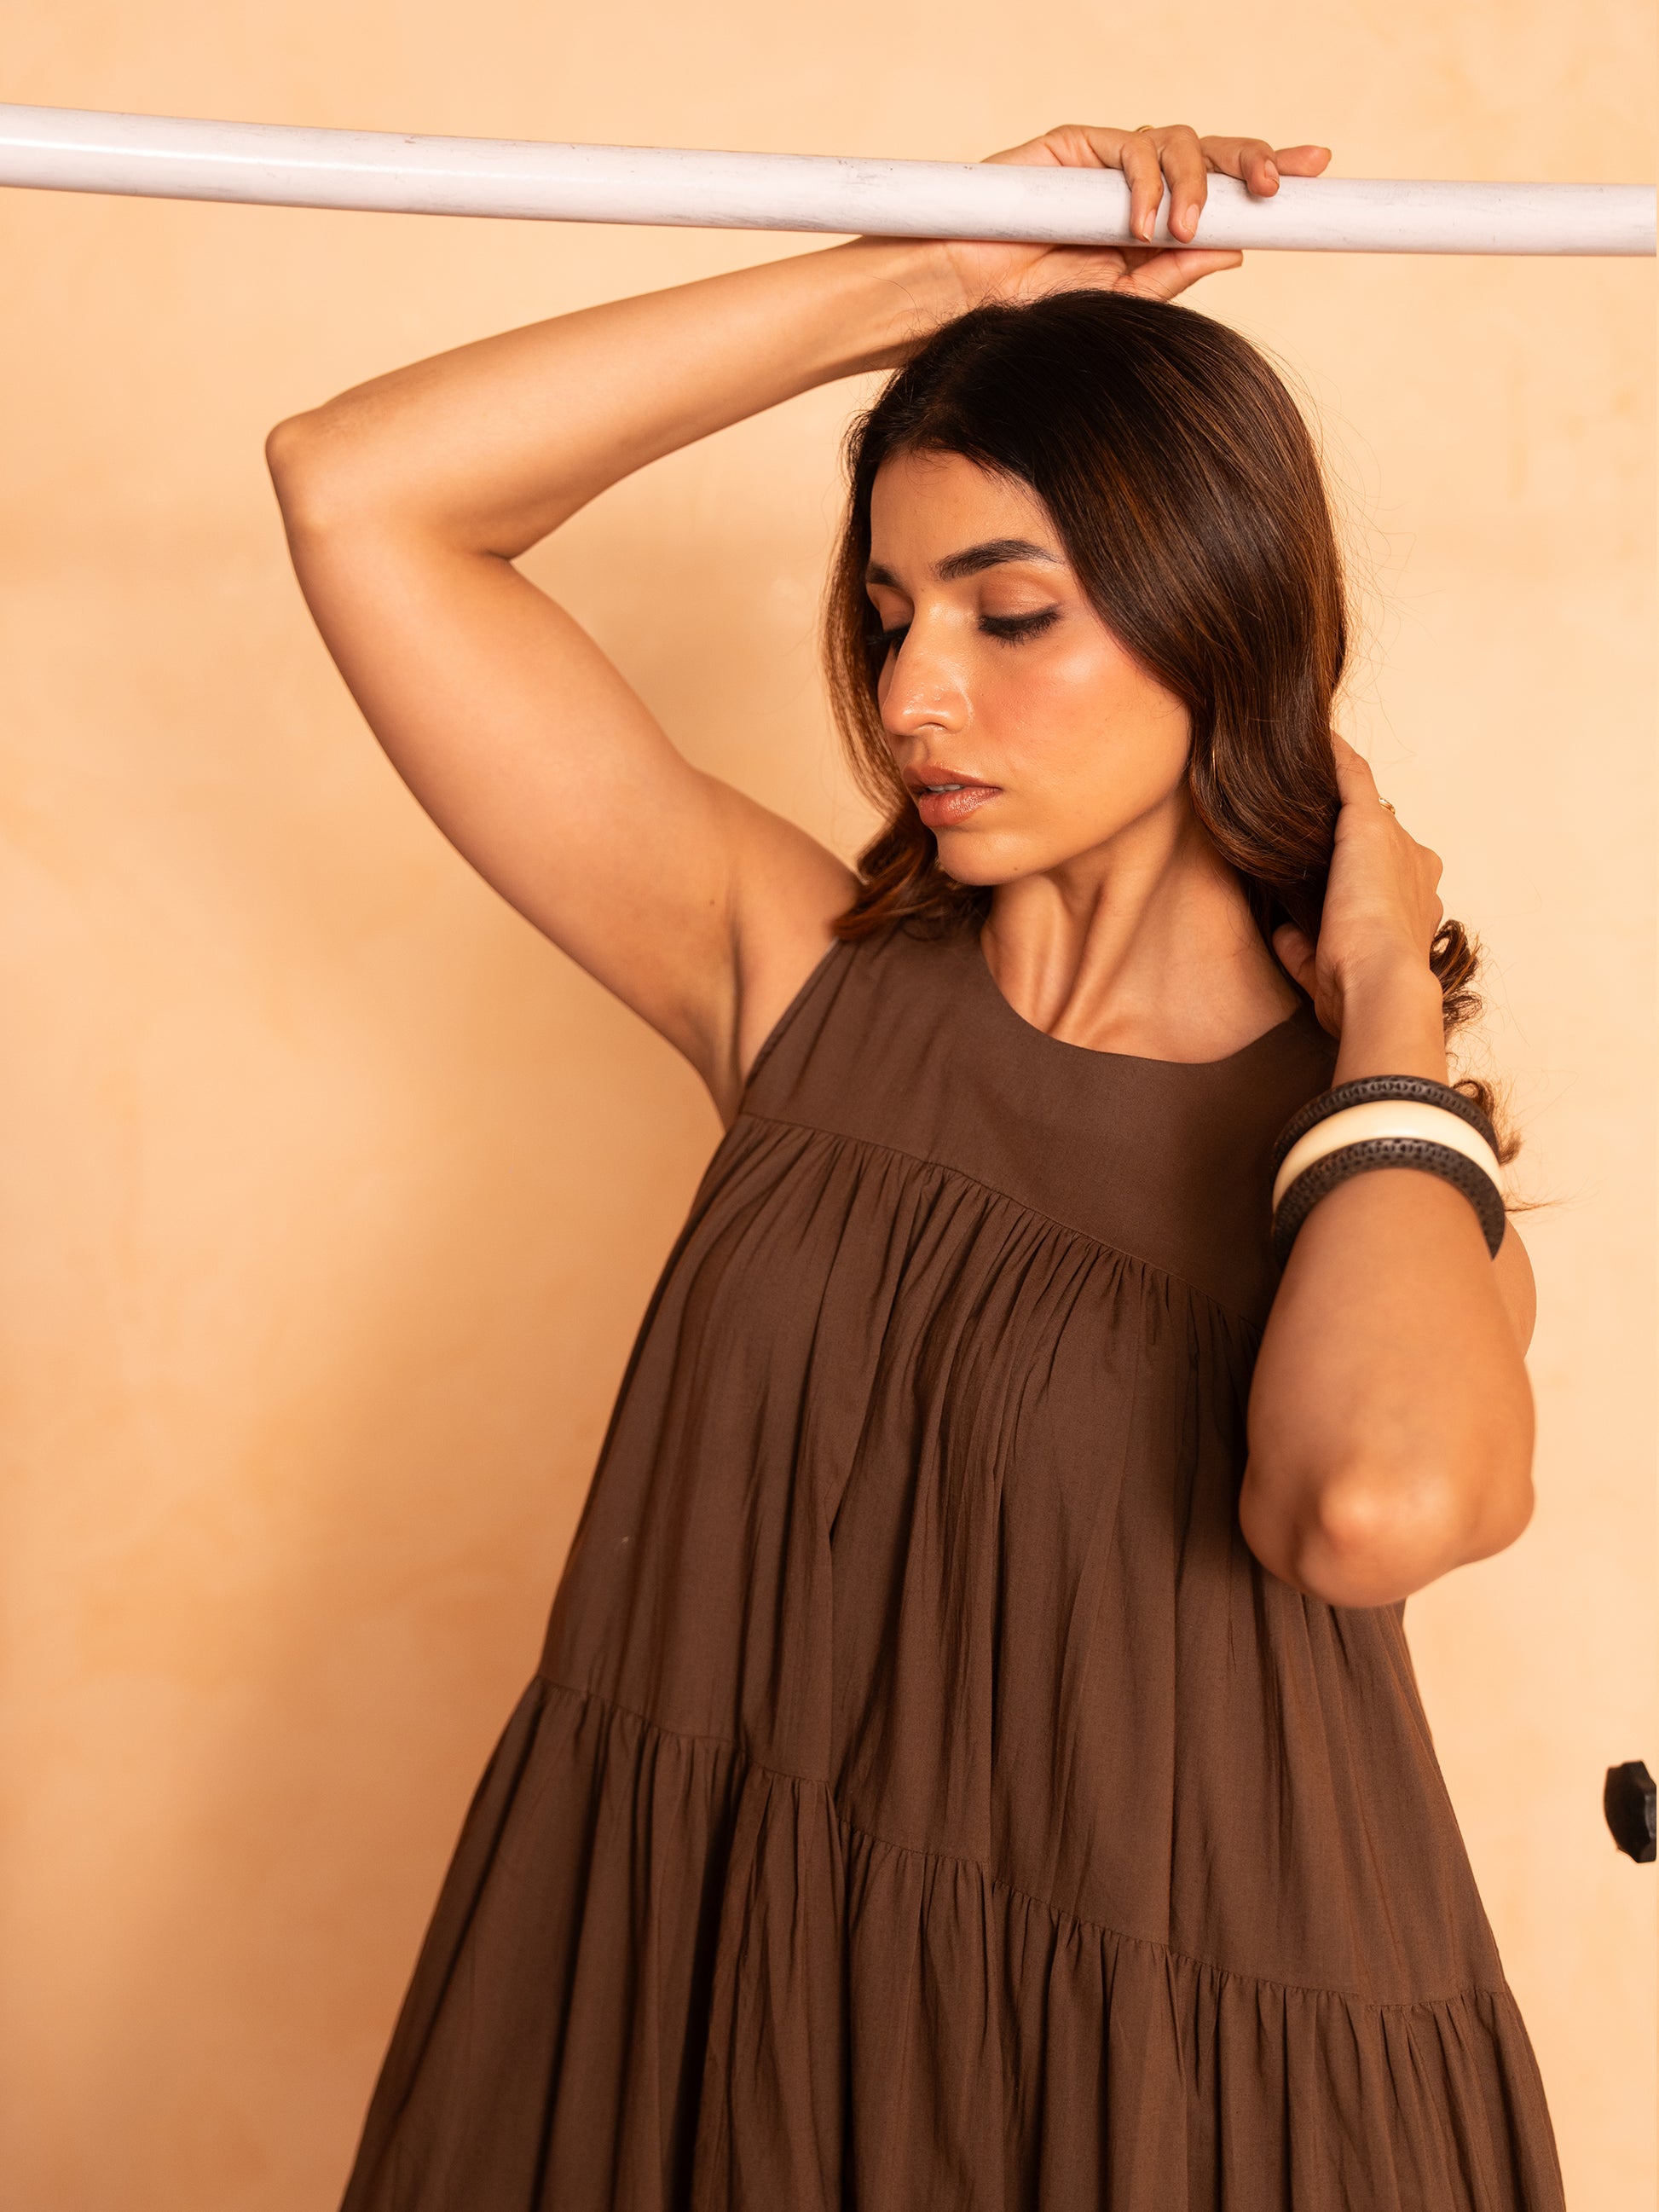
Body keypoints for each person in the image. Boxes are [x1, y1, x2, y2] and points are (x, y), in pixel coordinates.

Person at [266, 119, 1562, 2211]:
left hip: (1178, 2112)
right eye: (885, 615)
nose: (909, 695)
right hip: (718, 2013)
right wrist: (940, 279)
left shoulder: (1371, 1166)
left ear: (1215, 618)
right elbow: (358, 487)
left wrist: (1387, 999)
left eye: (1008, 613)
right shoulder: (792, 976)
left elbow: (1374, 1502)